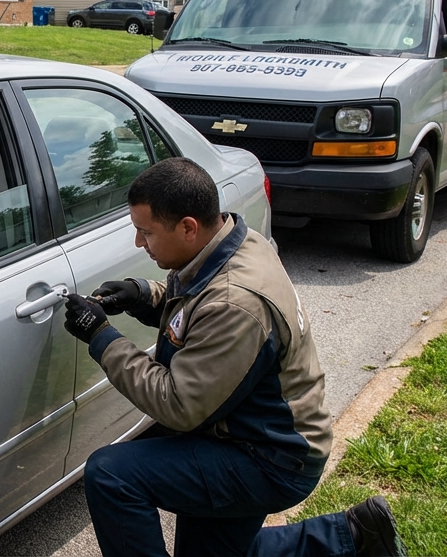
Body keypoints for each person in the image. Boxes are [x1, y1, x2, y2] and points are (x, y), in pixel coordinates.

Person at [62, 157, 406, 557]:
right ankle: (355, 536)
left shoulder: (237, 301)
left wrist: (101, 337)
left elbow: (178, 404)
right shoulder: (233, 243)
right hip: (254, 432)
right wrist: (145, 295)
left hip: (269, 457)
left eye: (145, 232)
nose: (140, 243)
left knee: (112, 474)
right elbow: (198, 309)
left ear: (188, 227)